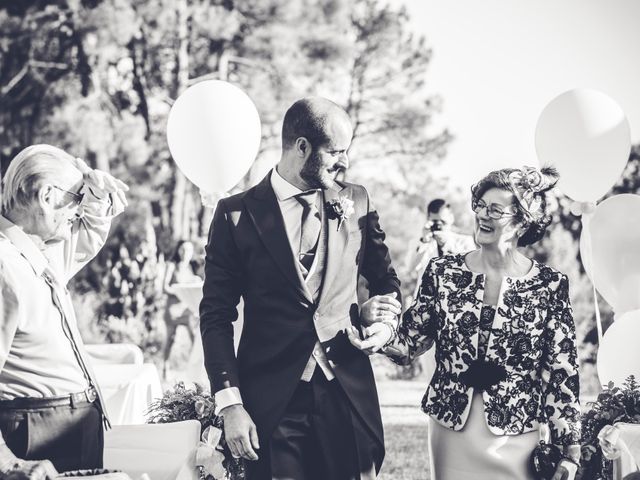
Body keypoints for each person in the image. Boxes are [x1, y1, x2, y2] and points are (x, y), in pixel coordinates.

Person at [200, 97, 401, 480]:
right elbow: (215, 316)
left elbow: (385, 281)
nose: (345, 164)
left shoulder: (355, 200)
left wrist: (384, 324)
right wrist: (230, 405)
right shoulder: (235, 215)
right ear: (302, 147)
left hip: (345, 392)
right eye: (336, 152)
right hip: (272, 401)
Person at [356, 166, 581, 480]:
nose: (482, 215)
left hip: (516, 434)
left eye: (495, 210)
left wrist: (570, 447)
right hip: (450, 430)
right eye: (480, 205)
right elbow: (410, 340)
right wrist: (379, 332)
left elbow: (562, 372)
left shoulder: (550, 285)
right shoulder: (442, 272)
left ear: (520, 222)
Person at [0, 144, 128, 478]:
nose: (78, 210)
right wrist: (8, 463)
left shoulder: (37, 249)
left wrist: (96, 196)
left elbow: (85, 240)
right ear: (46, 196)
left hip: (67, 427)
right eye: (76, 198)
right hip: (33, 432)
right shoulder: (4, 266)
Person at [404, 198, 475, 301]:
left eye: (443, 222)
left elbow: (470, 270)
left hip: (454, 301)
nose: (439, 226)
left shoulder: (464, 241)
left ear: (451, 218)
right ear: (428, 219)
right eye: (435, 222)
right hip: (425, 301)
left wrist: (446, 246)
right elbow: (410, 268)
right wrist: (424, 242)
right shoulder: (419, 242)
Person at [162, 239, 202, 378]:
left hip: (187, 308)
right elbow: (165, 287)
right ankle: (165, 367)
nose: (186, 253)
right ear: (179, 250)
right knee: (170, 339)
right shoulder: (172, 266)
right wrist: (179, 291)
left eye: (189, 250)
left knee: (195, 337)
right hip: (173, 308)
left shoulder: (190, 268)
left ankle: (194, 369)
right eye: (183, 250)